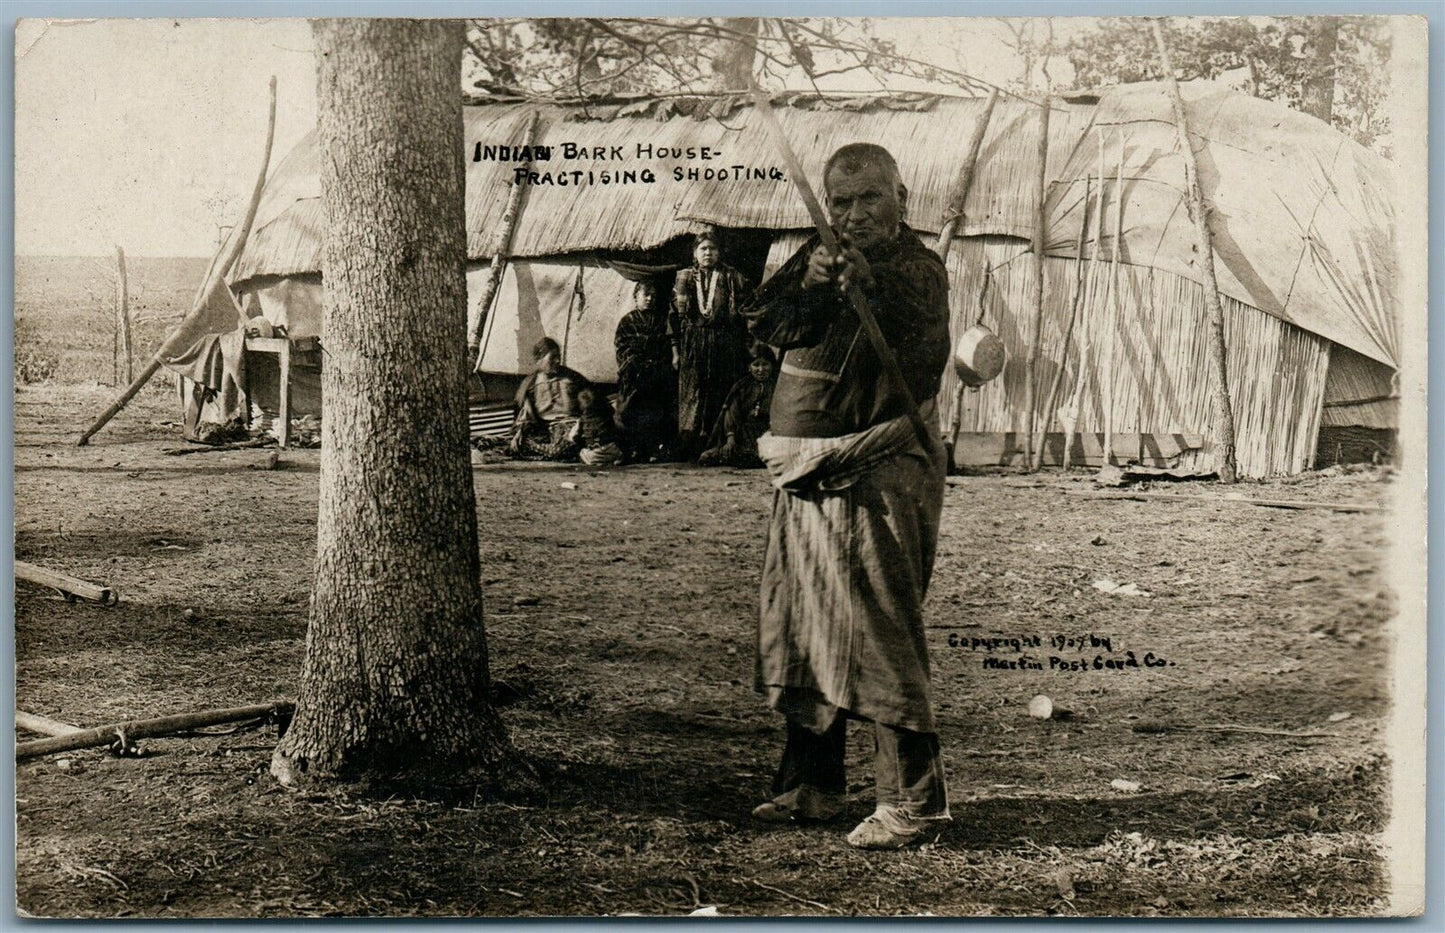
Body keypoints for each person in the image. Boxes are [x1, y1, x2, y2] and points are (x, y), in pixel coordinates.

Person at [740, 143, 952, 849]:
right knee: (806, 624)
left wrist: (866, 283)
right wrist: (815, 283)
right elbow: (765, 322)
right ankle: (812, 784)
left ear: (901, 196)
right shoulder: (815, 254)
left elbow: (921, 353)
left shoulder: (918, 270)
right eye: (840, 202)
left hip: (873, 473)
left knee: (877, 629)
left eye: (868, 199)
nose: (853, 214)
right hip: (804, 478)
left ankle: (913, 804)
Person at [671, 231, 752, 461]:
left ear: (719, 252)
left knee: (719, 391)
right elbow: (674, 318)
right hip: (692, 342)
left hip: (723, 342)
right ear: (695, 253)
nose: (708, 253)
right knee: (692, 393)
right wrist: (675, 351)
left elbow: (744, 309)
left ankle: (716, 447)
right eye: (703, 249)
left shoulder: (731, 277)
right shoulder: (684, 278)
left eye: (712, 249)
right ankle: (689, 447)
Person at [613, 280, 677, 462]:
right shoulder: (627, 322)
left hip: (654, 375)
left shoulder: (661, 321)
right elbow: (622, 348)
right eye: (645, 295)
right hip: (633, 376)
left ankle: (649, 451)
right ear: (636, 297)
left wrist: (657, 366)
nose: (649, 299)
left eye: (653, 296)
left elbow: (666, 347)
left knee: (653, 413)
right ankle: (627, 451)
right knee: (627, 412)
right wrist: (635, 365)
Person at [509, 336, 588, 461]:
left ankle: (556, 451)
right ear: (539, 360)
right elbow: (525, 414)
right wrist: (520, 431)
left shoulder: (572, 378)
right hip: (548, 429)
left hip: (573, 426)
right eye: (552, 358)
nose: (557, 361)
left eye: (558, 357)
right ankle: (561, 451)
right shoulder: (531, 384)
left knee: (563, 447)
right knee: (517, 444)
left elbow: (591, 404)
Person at [698, 344, 777, 468]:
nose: (761, 369)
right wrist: (731, 438)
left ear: (772, 366)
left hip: (769, 433)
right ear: (749, 367)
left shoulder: (778, 387)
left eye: (765, 364)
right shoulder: (742, 387)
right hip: (744, 433)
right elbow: (732, 413)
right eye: (756, 365)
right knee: (708, 456)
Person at [571, 387, 625, 466]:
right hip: (610, 449)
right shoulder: (606, 416)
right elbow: (617, 429)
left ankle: (597, 461)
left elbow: (574, 436)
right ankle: (615, 459)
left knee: (582, 453)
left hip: (593, 453)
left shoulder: (582, 420)